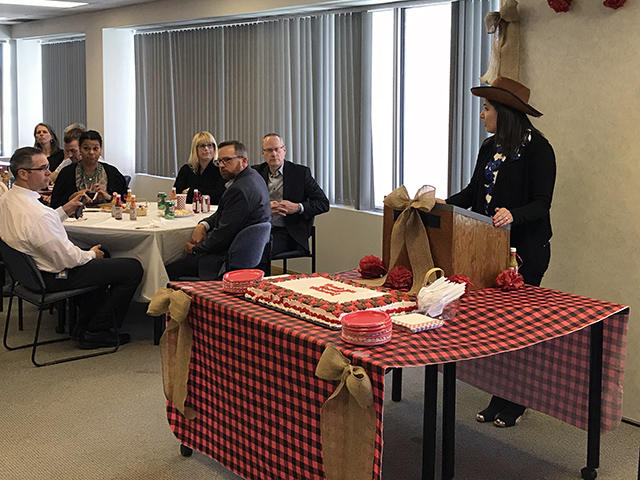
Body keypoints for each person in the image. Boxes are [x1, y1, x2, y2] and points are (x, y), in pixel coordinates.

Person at [441, 76, 556, 428]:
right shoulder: (489, 148)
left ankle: (516, 400)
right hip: (491, 252)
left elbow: (541, 203)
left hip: (526, 253)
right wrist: (442, 203)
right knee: (496, 329)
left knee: (518, 330)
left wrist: (513, 214)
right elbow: (473, 194)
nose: (482, 115)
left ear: (505, 112)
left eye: (487, 108)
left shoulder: (540, 149)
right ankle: (499, 394)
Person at [0, 147, 143, 349]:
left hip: (27, 275)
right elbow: (68, 259)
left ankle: (82, 325)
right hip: (51, 277)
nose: (49, 173)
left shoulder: (8, 200)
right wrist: (92, 254)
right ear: (23, 174)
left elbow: (36, 229)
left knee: (102, 259)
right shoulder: (37, 214)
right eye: (43, 168)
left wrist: (65, 210)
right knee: (132, 268)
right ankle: (97, 331)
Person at [166, 140, 270, 280]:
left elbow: (222, 236)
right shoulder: (253, 178)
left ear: (243, 160)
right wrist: (204, 224)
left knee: (167, 268)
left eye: (227, 160)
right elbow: (224, 214)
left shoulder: (238, 190)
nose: (221, 165)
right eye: (219, 161)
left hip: (225, 258)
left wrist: (195, 249)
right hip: (247, 255)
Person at [253, 133, 329, 256]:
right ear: (263, 153)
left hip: (288, 231)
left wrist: (297, 207)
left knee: (259, 251)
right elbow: (247, 203)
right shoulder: (256, 173)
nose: (274, 154)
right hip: (260, 227)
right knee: (239, 247)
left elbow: (323, 204)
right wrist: (265, 209)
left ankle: (262, 276)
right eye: (269, 150)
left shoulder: (300, 173)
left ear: (284, 150)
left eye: (277, 149)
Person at [50, 130, 128, 209]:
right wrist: (72, 198)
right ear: (80, 149)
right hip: (75, 219)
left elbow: (126, 201)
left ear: (100, 150)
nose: (91, 152)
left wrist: (109, 197)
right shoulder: (66, 173)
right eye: (86, 148)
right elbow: (55, 205)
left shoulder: (112, 173)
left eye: (95, 148)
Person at [174, 131, 226, 204]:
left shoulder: (221, 169)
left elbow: (219, 196)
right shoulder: (186, 169)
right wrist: (204, 193)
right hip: (188, 211)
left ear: (214, 148)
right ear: (195, 149)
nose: (206, 149)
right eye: (202, 146)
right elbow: (177, 195)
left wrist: (190, 192)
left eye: (210, 145)